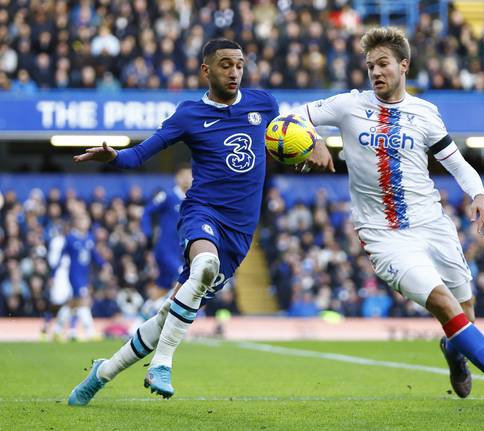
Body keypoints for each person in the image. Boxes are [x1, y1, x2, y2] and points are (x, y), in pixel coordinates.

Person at [67, 38, 333, 406]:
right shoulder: (189, 114)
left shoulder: (263, 103)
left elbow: (290, 134)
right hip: (202, 213)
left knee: (168, 315)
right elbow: (140, 154)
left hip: (240, 233)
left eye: (239, 64)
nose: (235, 71)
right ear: (206, 70)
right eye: (226, 64)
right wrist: (114, 156)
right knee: (203, 265)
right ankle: (162, 363)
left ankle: (103, 373)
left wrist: (314, 143)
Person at [297, 27, 484, 405]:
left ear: (404, 65)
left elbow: (456, 163)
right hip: (383, 235)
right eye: (370, 66)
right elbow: (292, 115)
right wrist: (312, 139)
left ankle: (453, 350)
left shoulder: (424, 113)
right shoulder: (347, 105)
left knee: (464, 313)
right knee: (443, 303)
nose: (375, 72)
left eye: (383, 64)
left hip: (432, 224)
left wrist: (479, 194)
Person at [51, 213, 106, 341]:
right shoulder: (70, 238)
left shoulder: (89, 238)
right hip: (74, 275)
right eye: (82, 220)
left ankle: (57, 330)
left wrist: (104, 264)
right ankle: (90, 331)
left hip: (85, 275)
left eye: (86, 220)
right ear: (76, 222)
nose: (85, 223)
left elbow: (94, 256)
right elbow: (61, 256)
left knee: (72, 304)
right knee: (84, 301)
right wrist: (53, 274)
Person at [140, 163, 192, 291]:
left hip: (183, 251)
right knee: (183, 279)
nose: (186, 179)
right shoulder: (167, 196)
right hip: (166, 250)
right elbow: (146, 212)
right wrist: (147, 233)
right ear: (177, 178)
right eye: (183, 175)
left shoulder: (194, 199)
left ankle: (150, 309)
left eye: (189, 176)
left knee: (163, 286)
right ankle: (187, 311)